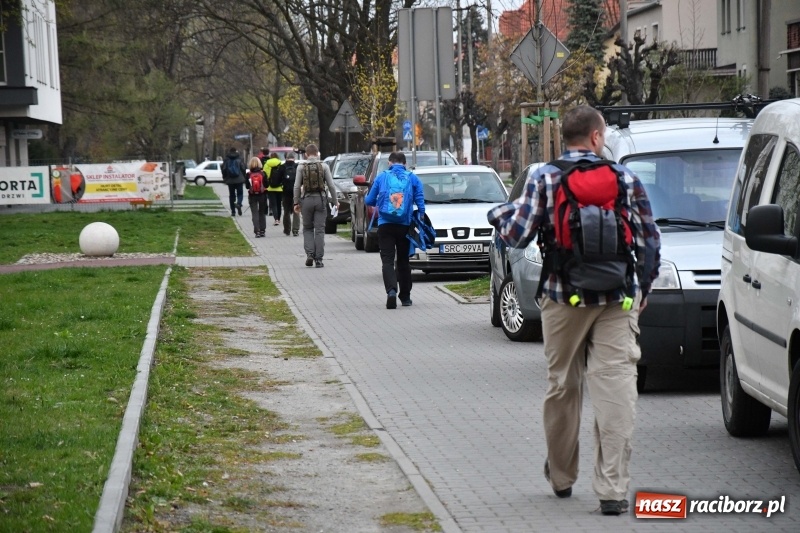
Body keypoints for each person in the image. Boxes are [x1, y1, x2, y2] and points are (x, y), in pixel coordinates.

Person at [487, 106, 661, 516]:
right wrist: (644, 288)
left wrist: (497, 214)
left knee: (563, 386)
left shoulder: (544, 178)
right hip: (617, 299)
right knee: (616, 387)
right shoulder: (624, 178)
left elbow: (516, 235)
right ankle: (613, 489)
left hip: (563, 298)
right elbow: (649, 238)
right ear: (597, 137)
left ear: (565, 138)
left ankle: (563, 477)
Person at [364, 152, 425, 309]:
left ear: (389, 163)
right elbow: (420, 201)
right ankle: (405, 297)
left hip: (385, 225)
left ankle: (391, 291)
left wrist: (376, 198)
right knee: (404, 261)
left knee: (387, 261)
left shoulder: (382, 177)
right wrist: (421, 216)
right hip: (404, 225)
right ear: (405, 164)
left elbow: (369, 201)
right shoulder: (412, 178)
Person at [293, 144, 338, 268]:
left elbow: (297, 186)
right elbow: (331, 185)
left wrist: (296, 202)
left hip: (306, 200)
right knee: (319, 229)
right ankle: (319, 259)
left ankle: (310, 254)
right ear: (318, 153)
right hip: (321, 200)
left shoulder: (301, 167)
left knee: (307, 228)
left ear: (306, 154)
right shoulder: (324, 166)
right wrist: (335, 201)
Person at [273, 153, 300, 236]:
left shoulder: (282, 167)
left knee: (286, 211)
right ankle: (295, 230)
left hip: (286, 192)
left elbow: (276, 181)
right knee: (296, 211)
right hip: (296, 192)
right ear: (294, 158)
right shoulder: (297, 166)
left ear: (286, 158)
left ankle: (287, 230)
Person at [245, 157, 268, 237]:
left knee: (254, 213)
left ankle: (257, 231)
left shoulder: (248, 174)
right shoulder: (263, 173)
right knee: (262, 213)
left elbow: (247, 187)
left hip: (252, 196)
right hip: (262, 195)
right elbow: (267, 185)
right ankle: (262, 231)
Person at [222, 147, 246, 216]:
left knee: (231, 195)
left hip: (230, 180)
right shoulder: (240, 158)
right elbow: (243, 168)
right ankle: (239, 204)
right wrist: (244, 177)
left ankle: (233, 211)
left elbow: (224, 169)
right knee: (240, 193)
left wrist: (224, 177)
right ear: (236, 151)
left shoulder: (226, 159)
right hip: (239, 179)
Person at [263, 152, 283, 227]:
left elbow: (264, 176)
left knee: (273, 204)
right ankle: (279, 219)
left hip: (270, 187)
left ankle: (276, 219)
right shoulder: (280, 164)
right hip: (280, 188)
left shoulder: (266, 164)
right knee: (279, 204)